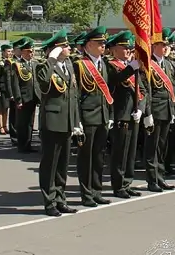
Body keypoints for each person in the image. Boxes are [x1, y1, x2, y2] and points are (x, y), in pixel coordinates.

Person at [36, 29, 81, 216]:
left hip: (68, 121)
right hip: (52, 122)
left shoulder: (69, 65)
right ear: (55, 49)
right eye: (65, 46)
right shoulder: (43, 66)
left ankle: (61, 199)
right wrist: (51, 60)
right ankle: (49, 202)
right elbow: (43, 83)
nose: (69, 48)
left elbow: (73, 96)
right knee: (50, 164)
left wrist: (77, 122)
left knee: (63, 164)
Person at [73, 26, 113, 206]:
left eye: (104, 43)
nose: (103, 46)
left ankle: (97, 191)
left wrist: (110, 114)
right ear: (89, 45)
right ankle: (86, 194)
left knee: (99, 157)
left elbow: (108, 91)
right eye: (99, 43)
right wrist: (77, 121)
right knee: (86, 158)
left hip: (103, 116)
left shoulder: (103, 64)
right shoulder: (79, 65)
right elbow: (76, 95)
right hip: (88, 117)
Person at [105, 30, 147, 199]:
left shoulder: (132, 66)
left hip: (133, 113)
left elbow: (142, 89)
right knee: (120, 152)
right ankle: (118, 184)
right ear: (114, 49)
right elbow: (115, 80)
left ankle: (127, 182)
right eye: (124, 47)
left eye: (129, 47)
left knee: (131, 152)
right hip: (120, 113)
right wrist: (131, 67)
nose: (128, 50)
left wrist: (141, 108)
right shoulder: (111, 65)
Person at [145, 28, 175, 192]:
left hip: (167, 109)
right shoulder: (148, 64)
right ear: (154, 45)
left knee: (162, 146)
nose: (166, 47)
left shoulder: (169, 64)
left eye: (167, 45)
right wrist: (147, 112)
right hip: (155, 109)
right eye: (162, 44)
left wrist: (173, 110)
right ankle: (152, 180)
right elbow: (147, 90)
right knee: (152, 147)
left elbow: (172, 88)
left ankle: (161, 177)